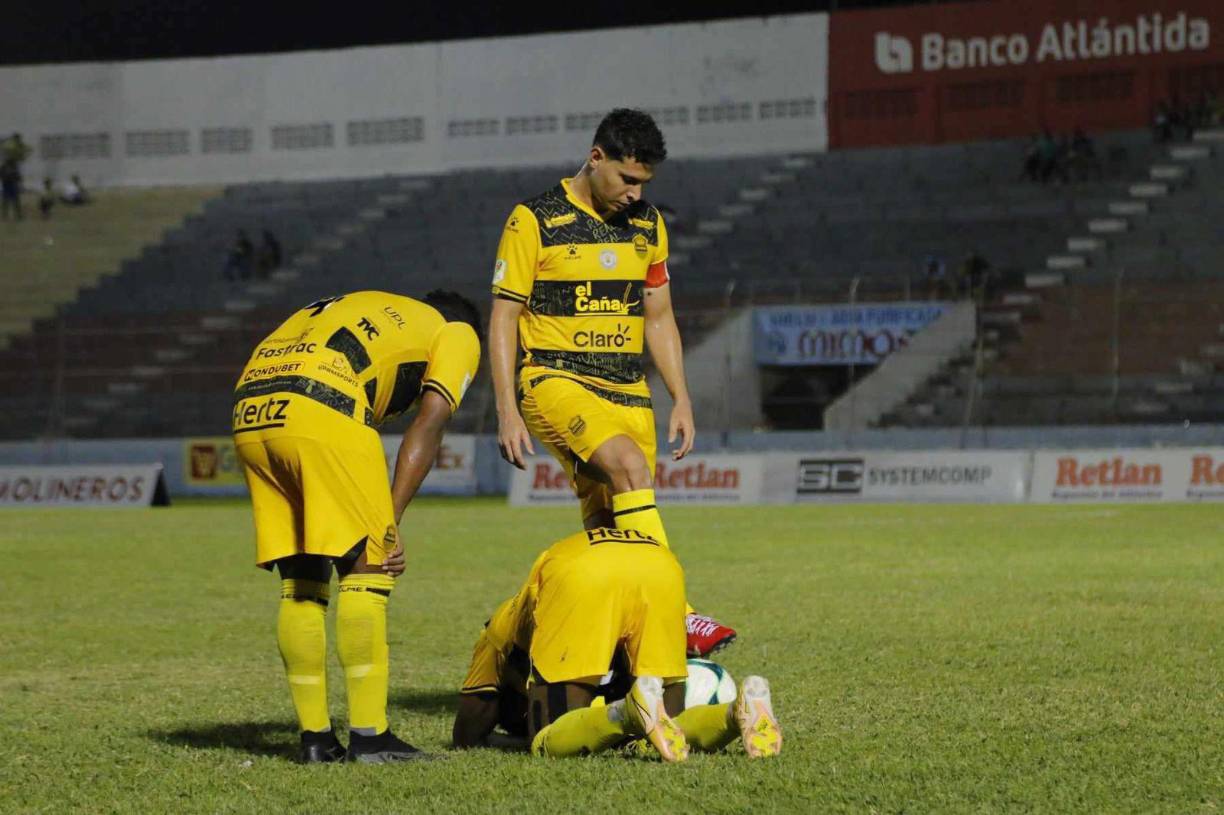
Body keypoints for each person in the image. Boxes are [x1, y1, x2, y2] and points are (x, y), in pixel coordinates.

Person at [488, 107, 734, 656]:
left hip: (628, 389)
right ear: (595, 157)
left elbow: (659, 316)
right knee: (629, 465)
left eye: (643, 183)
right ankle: (680, 614)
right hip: (555, 378)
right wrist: (507, 409)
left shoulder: (648, 225)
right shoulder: (534, 220)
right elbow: (504, 316)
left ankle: (610, 652)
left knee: (608, 518)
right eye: (626, 179)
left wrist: (682, 398)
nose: (633, 193)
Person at [233, 289, 482, 764]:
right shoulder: (457, 331)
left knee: (302, 585)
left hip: (252, 410)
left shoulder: (368, 308)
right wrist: (386, 522)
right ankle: (371, 736)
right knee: (371, 569)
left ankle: (316, 740)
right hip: (323, 402)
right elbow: (430, 423)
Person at [451, 527, 782, 761]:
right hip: (659, 563)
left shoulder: (494, 640)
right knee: (665, 731)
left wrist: (520, 737)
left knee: (547, 742)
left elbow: (466, 737)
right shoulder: (520, 619)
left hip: (580, 573)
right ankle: (734, 712)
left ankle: (628, 713)